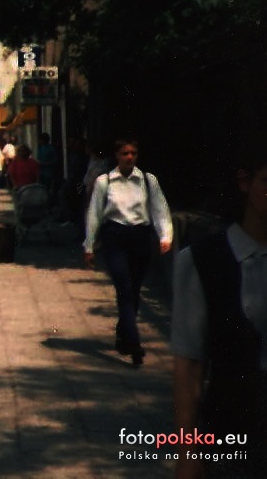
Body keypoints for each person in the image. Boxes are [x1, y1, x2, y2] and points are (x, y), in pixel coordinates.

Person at [171, 147, 267, 477]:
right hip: (233, 430)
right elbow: (188, 363)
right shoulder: (203, 261)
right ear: (245, 182)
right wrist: (188, 450)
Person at [83, 139, 172, 366]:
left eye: (133, 153)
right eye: (125, 153)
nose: (129, 157)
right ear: (117, 156)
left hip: (140, 237)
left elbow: (159, 208)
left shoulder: (147, 180)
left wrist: (165, 235)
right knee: (123, 286)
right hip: (115, 236)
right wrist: (89, 244)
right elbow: (94, 213)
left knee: (134, 289)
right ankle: (134, 342)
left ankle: (124, 332)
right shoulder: (105, 182)